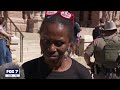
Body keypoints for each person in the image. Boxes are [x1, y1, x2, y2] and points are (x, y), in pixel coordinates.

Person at [22, 11, 92, 79]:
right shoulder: (25, 70)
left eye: (59, 43)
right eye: (46, 41)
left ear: (69, 43)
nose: (51, 48)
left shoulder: (82, 74)